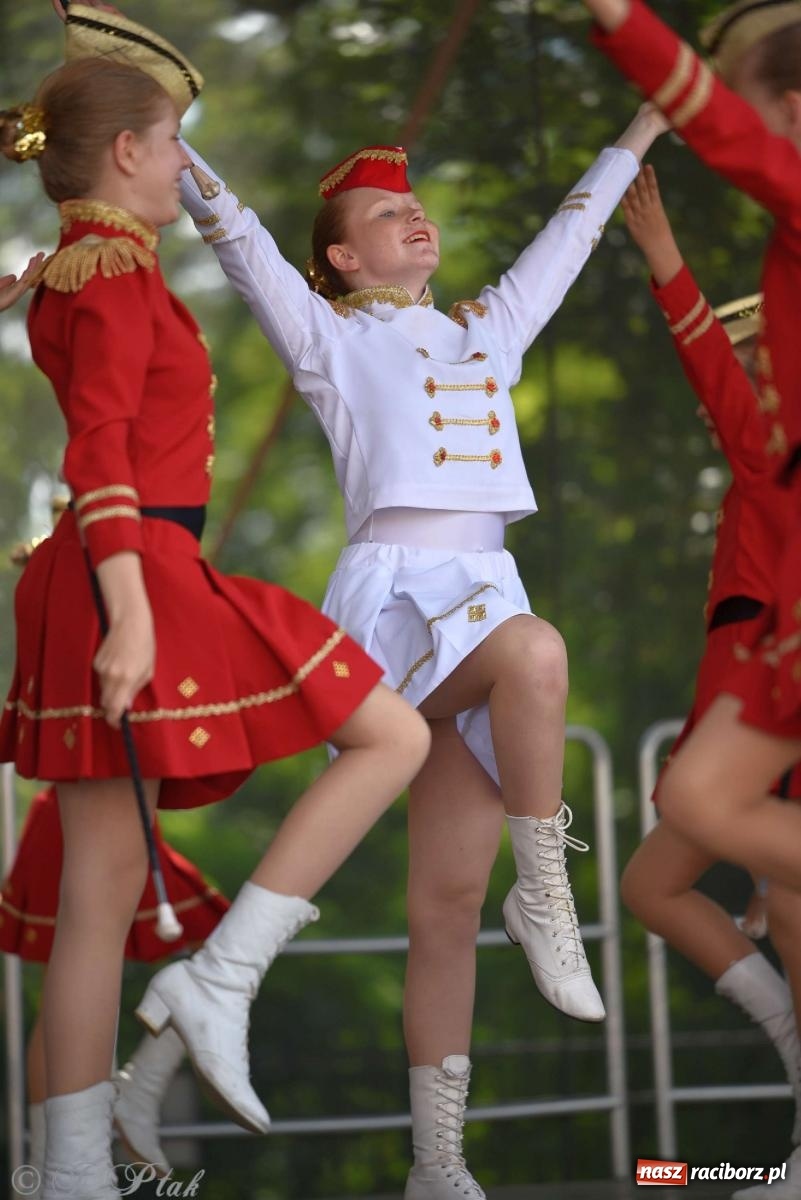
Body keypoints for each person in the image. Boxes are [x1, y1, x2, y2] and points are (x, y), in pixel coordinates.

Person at [126, 4, 672, 1184]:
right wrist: (158, 124)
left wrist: (649, 115)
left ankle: (434, 1164)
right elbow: (233, 231)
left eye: (413, 207)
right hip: (400, 605)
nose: (411, 217)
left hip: (485, 589)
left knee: (443, 903)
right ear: (341, 258)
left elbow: (571, 236)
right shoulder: (327, 339)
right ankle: (550, 890)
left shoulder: (490, 335)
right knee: (536, 655)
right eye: (385, 215)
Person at [0, 17, 430, 1200]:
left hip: (116, 566)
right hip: (130, 567)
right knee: (392, 734)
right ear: (131, 151)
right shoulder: (114, 268)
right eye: (177, 141)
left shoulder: (76, 266)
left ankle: (71, 1170)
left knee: (95, 899)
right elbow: (99, 448)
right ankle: (208, 992)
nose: (186, 161)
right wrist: (134, 611)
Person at [619, 163, 801, 1174]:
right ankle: (792, 1050)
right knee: (655, 885)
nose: (734, 382)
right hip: (736, 681)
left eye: (753, 360)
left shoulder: (774, 451)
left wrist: (664, 257)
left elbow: (720, 384)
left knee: (788, 897)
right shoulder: (754, 472)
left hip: (769, 680)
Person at [2, 510, 230, 1184]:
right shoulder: (78, 609)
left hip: (111, 802)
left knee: (184, 946)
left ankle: (78, 1144)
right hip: (80, 809)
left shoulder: (91, 599)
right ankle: (60, 1160)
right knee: (78, 966)